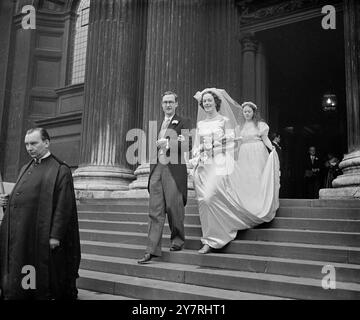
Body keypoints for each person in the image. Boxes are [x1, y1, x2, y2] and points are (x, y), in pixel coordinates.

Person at [191, 89, 280, 254]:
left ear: (216, 102)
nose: (207, 103)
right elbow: (196, 145)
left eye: (209, 100)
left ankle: (217, 237)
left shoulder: (224, 121)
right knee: (203, 201)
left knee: (210, 196)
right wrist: (198, 154)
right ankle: (209, 238)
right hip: (203, 165)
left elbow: (233, 144)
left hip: (219, 164)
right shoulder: (201, 124)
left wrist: (216, 147)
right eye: (204, 101)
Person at [0, 128, 81, 300]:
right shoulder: (25, 167)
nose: (29, 148)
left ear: (46, 142)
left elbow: (64, 206)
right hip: (22, 233)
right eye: (26, 144)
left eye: (33, 143)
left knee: (39, 277)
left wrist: (55, 236)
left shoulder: (60, 169)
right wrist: (8, 201)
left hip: (40, 236)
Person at [138, 91, 191, 264]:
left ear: (176, 104)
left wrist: (168, 143)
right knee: (155, 210)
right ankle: (151, 250)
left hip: (173, 169)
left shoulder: (184, 121)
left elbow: (188, 144)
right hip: (156, 169)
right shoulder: (157, 124)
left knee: (174, 207)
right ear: (161, 105)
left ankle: (177, 240)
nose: (167, 105)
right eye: (165, 102)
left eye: (171, 102)